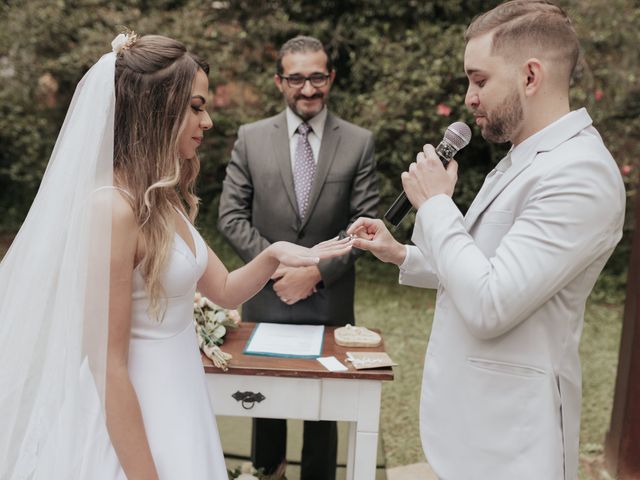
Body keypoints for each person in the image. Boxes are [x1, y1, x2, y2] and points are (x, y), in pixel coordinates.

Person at [0, 33, 351, 479]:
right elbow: (108, 369)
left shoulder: (161, 199)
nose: (207, 122)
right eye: (196, 106)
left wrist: (274, 254)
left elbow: (224, 290)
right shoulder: (112, 209)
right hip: (135, 425)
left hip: (182, 404)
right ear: (157, 108)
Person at [347, 2, 625, 479]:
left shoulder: (579, 174)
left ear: (530, 76)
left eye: (479, 80)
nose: (469, 98)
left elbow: (492, 303)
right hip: (473, 431)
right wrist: (403, 255)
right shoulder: (525, 157)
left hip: (512, 442)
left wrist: (435, 206)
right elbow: (489, 266)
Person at [218, 35, 378, 480]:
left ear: (331, 77)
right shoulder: (250, 139)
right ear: (279, 81)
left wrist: (314, 273)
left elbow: (364, 227)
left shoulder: (359, 143)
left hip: (328, 304)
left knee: (323, 421)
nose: (308, 89)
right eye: (296, 78)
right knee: (263, 408)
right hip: (266, 302)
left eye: (317, 77)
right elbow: (230, 215)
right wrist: (275, 267)